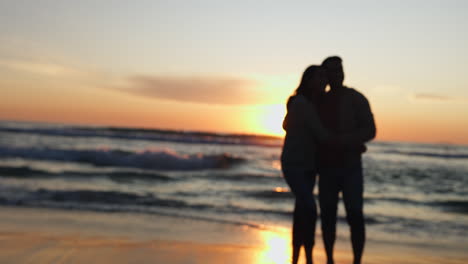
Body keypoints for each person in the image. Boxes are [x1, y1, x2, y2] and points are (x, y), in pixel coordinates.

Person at [317, 56, 376, 264]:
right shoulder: (319, 100)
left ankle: (356, 261)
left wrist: (344, 140)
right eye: (331, 71)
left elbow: (370, 129)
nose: (336, 75)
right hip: (326, 167)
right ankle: (330, 260)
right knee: (328, 217)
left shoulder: (356, 98)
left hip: (350, 166)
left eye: (338, 70)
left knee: (355, 216)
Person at [281, 65, 330, 264]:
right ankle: (305, 257)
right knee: (309, 208)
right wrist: (351, 142)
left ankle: (299, 258)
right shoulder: (301, 103)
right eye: (319, 77)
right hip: (294, 164)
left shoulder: (310, 103)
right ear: (308, 80)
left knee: (302, 210)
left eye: (324, 78)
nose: (323, 81)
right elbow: (321, 134)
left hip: (309, 166)